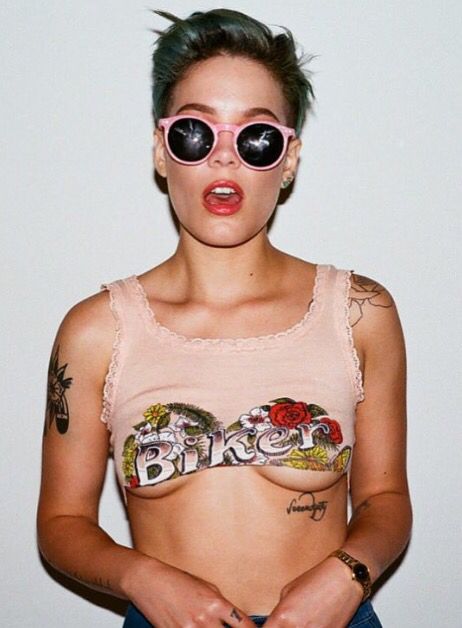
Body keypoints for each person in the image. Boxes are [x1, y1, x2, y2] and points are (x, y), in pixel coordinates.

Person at [37, 8, 412, 628]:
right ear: (162, 152)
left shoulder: (359, 313)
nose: (224, 160)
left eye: (256, 138)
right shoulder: (97, 331)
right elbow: (60, 523)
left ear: (289, 160)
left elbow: (386, 498)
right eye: (195, 133)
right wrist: (143, 578)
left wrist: (347, 575)